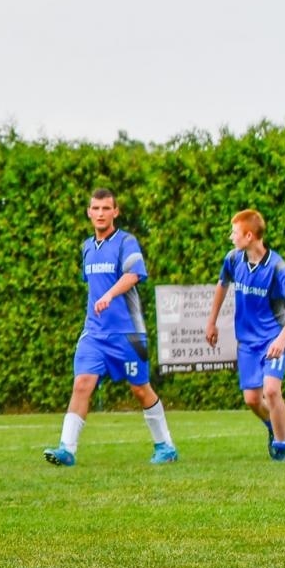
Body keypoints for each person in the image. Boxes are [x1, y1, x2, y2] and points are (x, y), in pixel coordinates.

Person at [43, 187, 179, 467]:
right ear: (89, 212)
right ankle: (67, 450)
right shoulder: (86, 247)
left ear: (115, 211)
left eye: (106, 208)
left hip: (129, 334)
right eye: (96, 208)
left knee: (140, 389)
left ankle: (165, 446)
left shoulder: (126, 242)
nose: (101, 213)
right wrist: (100, 300)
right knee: (82, 384)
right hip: (94, 333)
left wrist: (109, 295)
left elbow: (133, 275)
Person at [204, 209, 285, 461]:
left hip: (273, 338)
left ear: (249, 236)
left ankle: (281, 447)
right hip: (247, 341)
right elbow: (222, 285)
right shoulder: (233, 259)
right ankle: (273, 427)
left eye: (234, 232)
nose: (230, 237)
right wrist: (211, 322)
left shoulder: (278, 268)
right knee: (252, 399)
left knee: (272, 391)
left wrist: (281, 339)